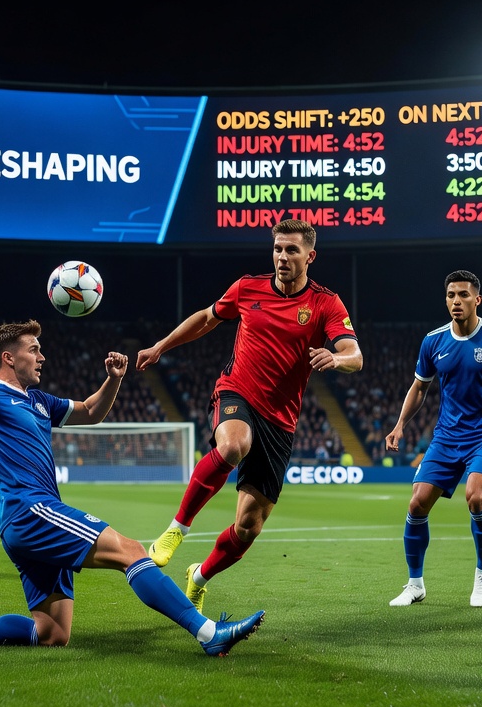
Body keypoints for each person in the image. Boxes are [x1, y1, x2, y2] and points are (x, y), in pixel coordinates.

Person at [0, 320, 264, 655]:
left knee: (52, 633)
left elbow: (92, 412)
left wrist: (114, 378)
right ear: (8, 357)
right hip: (31, 511)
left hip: (29, 522)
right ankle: (209, 633)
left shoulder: (40, 401)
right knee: (132, 551)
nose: (42, 356)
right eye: (34, 349)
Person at [140, 219, 362, 611]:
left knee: (248, 526)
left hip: (280, 421)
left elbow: (354, 355)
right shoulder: (247, 288)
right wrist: (161, 346)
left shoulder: (326, 303)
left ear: (310, 257)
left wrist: (337, 357)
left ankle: (199, 576)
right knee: (233, 445)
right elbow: (207, 318)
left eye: (291, 250)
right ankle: (176, 530)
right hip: (237, 392)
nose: (282, 257)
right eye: (277, 249)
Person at [384, 270, 482, 608]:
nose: (457, 301)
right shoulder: (434, 341)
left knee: (477, 497)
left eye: (464, 295)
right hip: (446, 436)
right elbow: (419, 387)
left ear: (477, 299)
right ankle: (415, 585)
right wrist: (399, 425)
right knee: (416, 503)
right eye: (451, 295)